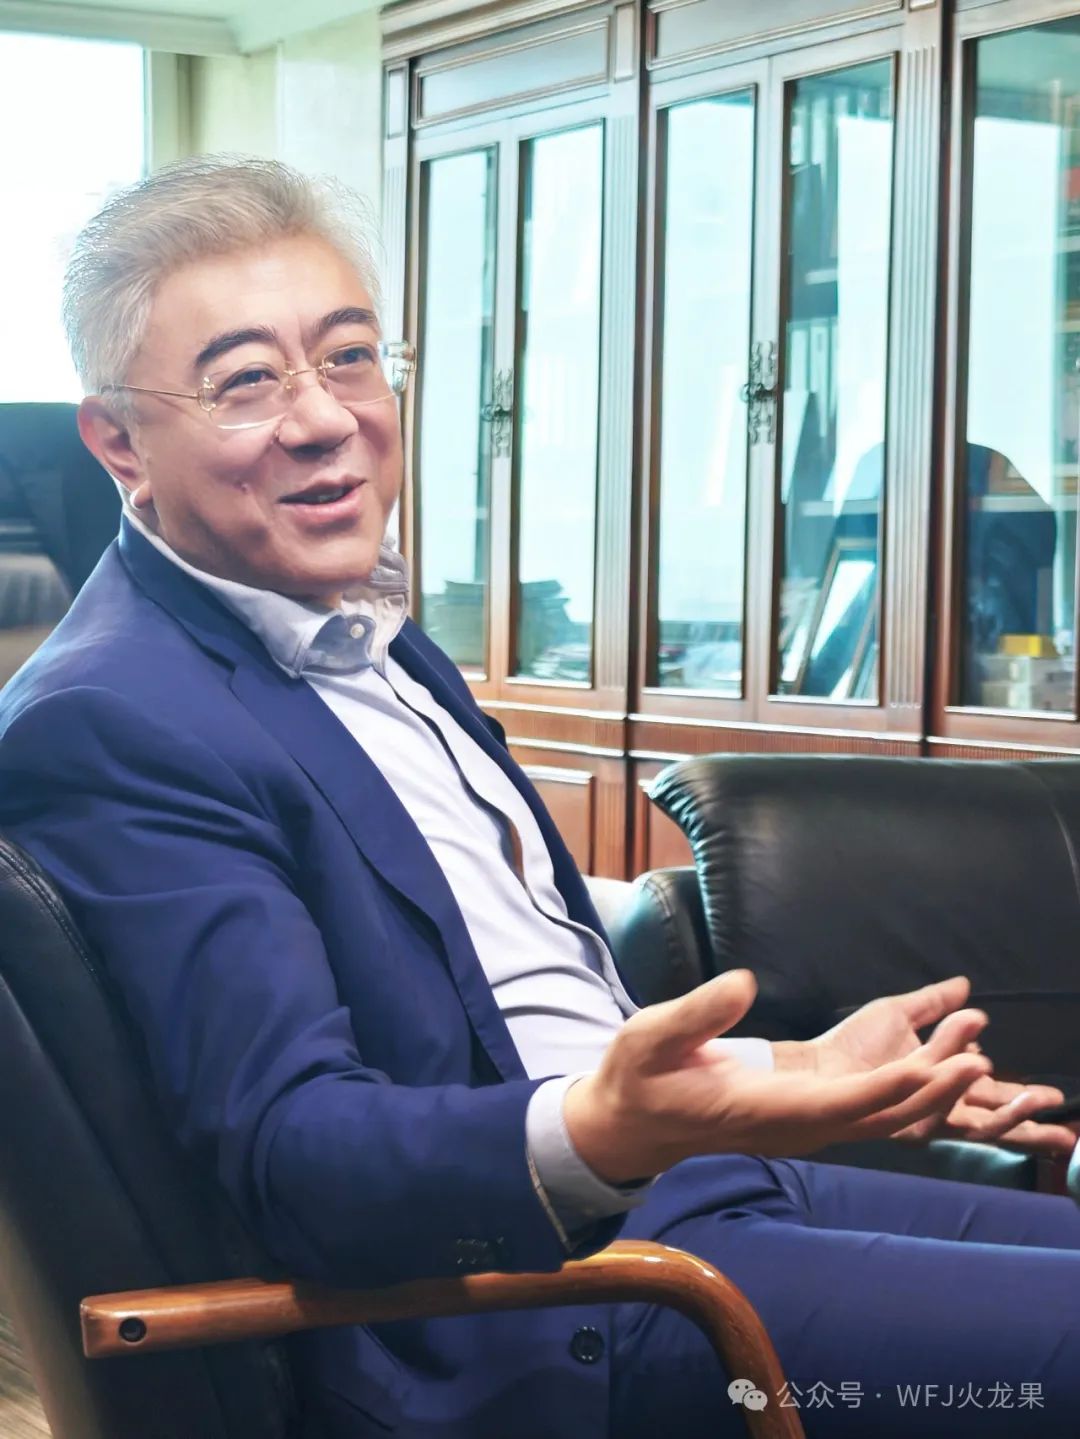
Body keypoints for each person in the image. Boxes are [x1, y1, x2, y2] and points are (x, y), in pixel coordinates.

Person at [0, 157, 1078, 1439]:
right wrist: (607, 1125)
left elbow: (515, 1017)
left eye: (350, 356)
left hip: (686, 1198)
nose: (326, 417)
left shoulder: (373, 635)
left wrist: (788, 1070)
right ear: (120, 441)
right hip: (537, 1310)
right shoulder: (114, 719)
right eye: (245, 380)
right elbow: (297, 1150)